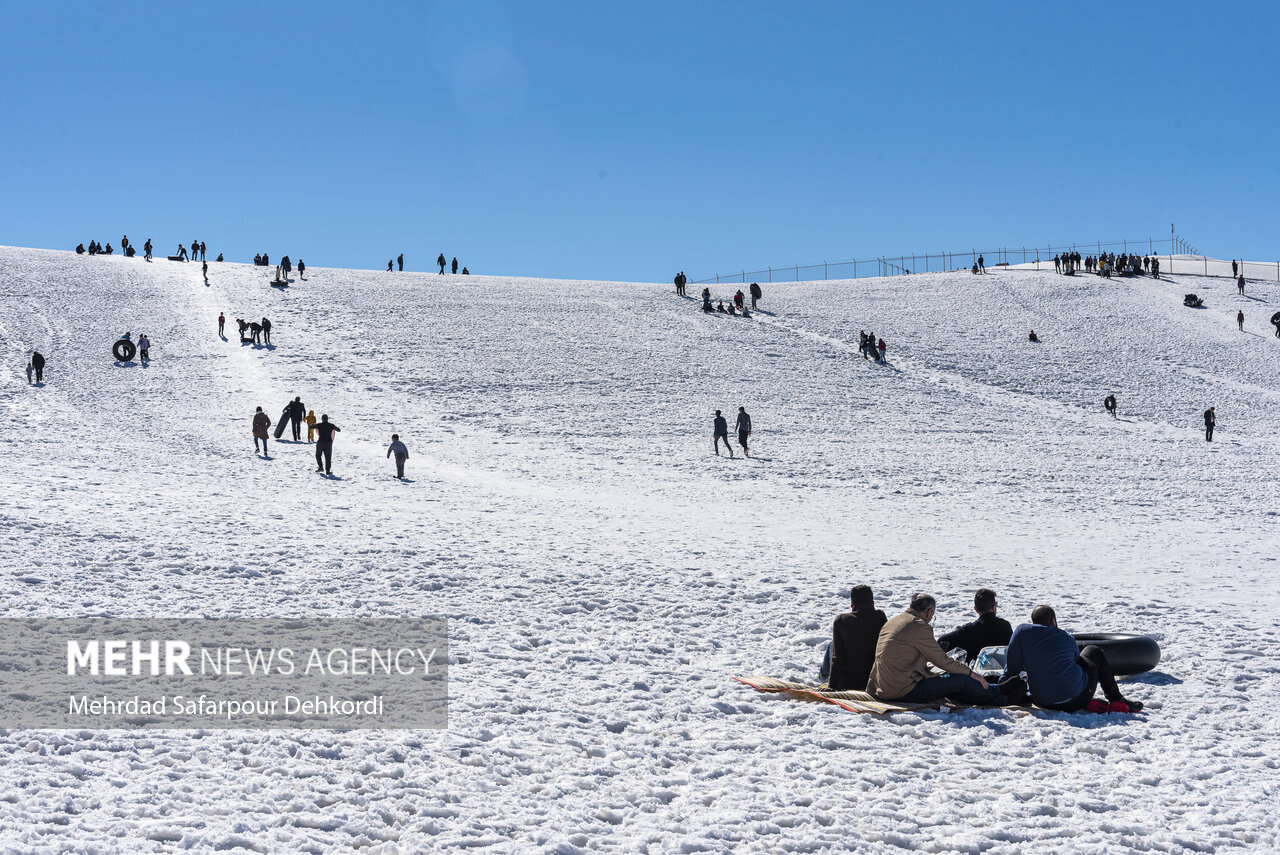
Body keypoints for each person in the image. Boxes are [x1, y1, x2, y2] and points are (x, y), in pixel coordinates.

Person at [865, 594, 1006, 705]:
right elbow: (942, 661)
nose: (931, 618)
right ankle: (999, 692)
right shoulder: (919, 626)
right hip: (902, 690)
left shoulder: (894, 621)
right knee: (961, 679)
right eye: (932, 615)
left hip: (879, 687)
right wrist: (971, 673)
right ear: (928, 611)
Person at [1000, 605, 1143, 713]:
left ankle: (1089, 702)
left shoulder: (1021, 632)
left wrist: (1000, 687)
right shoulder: (1067, 638)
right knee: (1093, 651)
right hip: (1076, 699)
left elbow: (1012, 668)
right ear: (1053, 620)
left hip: (1041, 701)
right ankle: (1116, 699)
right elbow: (1075, 662)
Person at [827, 585, 888, 691]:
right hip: (873, 681)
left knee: (832, 645)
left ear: (852, 605)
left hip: (848, 683)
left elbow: (838, 657)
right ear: (873, 603)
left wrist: (832, 686)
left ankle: (822, 676)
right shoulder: (880, 616)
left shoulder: (841, 621)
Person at [937, 589, 1013, 665]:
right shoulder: (1005, 626)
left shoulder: (968, 630)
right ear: (994, 607)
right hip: (1002, 672)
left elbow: (942, 640)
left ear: (975, 609)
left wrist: (960, 632)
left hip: (977, 674)